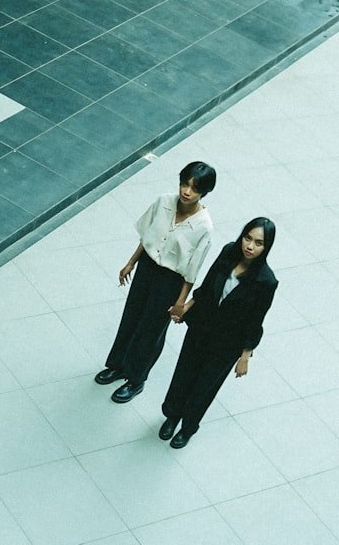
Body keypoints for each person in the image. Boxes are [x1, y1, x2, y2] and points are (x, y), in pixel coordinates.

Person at [95, 161, 216, 403]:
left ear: (204, 192)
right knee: (131, 317)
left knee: (151, 330)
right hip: (147, 267)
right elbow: (147, 236)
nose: (186, 191)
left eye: (194, 188)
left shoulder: (204, 226)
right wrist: (131, 262)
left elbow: (191, 270)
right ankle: (118, 365)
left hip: (171, 280)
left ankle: (136, 379)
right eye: (184, 184)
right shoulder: (164, 202)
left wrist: (181, 302)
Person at [159, 217, 279, 448]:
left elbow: (256, 321)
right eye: (248, 238)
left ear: (267, 246)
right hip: (201, 328)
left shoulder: (266, 281)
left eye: (258, 243)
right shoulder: (227, 253)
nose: (250, 246)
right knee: (184, 373)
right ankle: (172, 415)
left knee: (204, 387)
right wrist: (185, 308)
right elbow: (205, 288)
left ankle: (188, 427)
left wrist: (245, 357)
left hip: (228, 344)